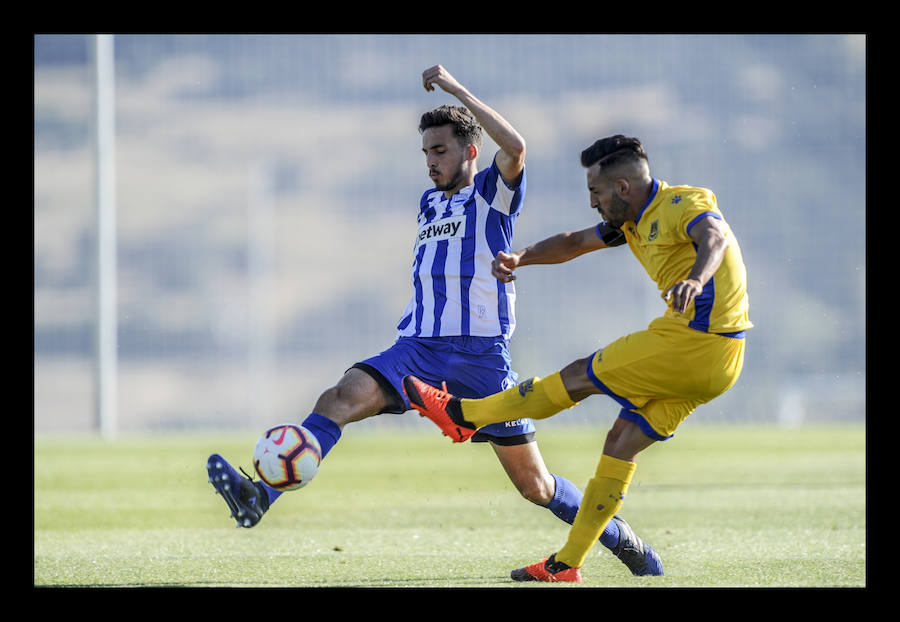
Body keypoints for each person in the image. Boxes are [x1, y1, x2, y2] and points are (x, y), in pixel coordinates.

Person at [206, 69, 662, 577]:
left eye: (440, 151)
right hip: (416, 349)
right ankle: (260, 496)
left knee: (537, 488)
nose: (430, 162)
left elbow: (515, 146)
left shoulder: (493, 194)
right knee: (338, 398)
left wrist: (456, 91)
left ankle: (621, 539)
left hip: (480, 361)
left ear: (470, 151)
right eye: (425, 152)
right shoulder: (429, 203)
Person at [404, 134, 752, 583]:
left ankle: (464, 414)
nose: (593, 203)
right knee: (621, 442)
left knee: (579, 376)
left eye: (596, 193)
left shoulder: (682, 203)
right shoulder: (628, 220)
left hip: (697, 340)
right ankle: (566, 564)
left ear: (622, 188)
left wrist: (696, 280)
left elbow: (715, 235)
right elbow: (573, 242)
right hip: (720, 363)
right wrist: (521, 257)